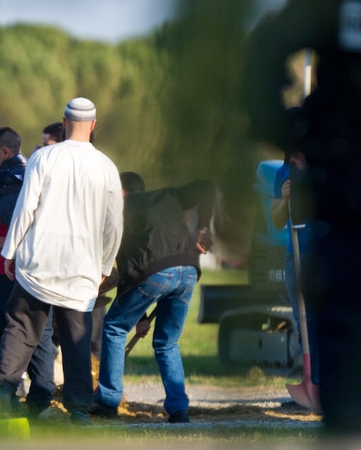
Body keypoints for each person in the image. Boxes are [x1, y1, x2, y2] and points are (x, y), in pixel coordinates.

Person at [243, 0, 361, 435]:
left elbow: (263, 54)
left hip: (332, 232)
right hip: (331, 233)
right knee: (316, 318)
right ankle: (326, 388)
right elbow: (277, 214)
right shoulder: (292, 170)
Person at [0, 97, 123, 425]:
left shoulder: (43, 157)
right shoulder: (106, 167)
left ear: (64, 123)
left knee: (21, 328)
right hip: (81, 272)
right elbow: (114, 224)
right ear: (93, 125)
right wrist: (105, 265)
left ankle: (2, 395)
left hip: (38, 264)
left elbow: (25, 208)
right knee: (76, 341)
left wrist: (9, 252)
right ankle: (78, 411)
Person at [91, 172, 215, 424]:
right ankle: (179, 410)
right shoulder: (166, 196)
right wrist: (202, 227)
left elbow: (129, 264)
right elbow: (206, 185)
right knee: (167, 342)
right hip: (189, 270)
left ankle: (107, 401)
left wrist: (140, 316)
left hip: (154, 273)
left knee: (114, 327)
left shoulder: (121, 210)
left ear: (122, 191)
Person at [0, 127, 56, 417]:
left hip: (10, 270)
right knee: (41, 333)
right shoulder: (34, 171)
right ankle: (41, 404)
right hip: (40, 266)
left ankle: (2, 396)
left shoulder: (9, 178)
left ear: (5, 152)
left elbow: (8, 234)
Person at [269, 147, 319, 390]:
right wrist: (286, 199)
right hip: (296, 255)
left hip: (323, 255)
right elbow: (277, 219)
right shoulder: (283, 174)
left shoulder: (323, 169)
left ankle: (330, 384)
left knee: (325, 321)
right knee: (303, 322)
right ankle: (311, 381)